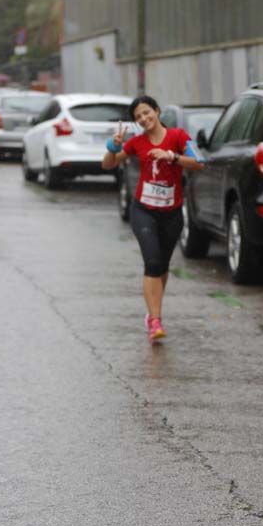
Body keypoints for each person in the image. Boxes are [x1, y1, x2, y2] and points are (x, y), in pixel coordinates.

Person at [101, 95, 205, 342]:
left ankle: (153, 313)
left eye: (147, 113)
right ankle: (155, 320)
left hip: (171, 212)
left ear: (157, 111)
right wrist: (113, 148)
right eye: (138, 117)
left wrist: (173, 157)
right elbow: (108, 165)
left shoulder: (178, 136)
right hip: (143, 210)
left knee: (162, 267)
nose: (144, 119)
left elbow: (199, 163)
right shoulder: (137, 142)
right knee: (153, 261)